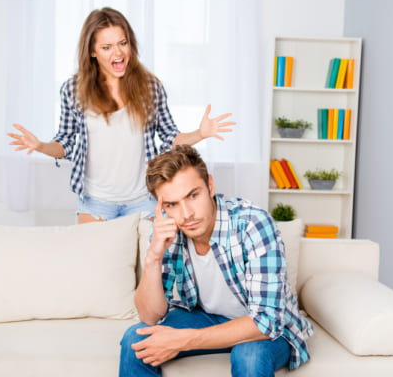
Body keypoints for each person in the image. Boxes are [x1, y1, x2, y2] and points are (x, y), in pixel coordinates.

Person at [7, 7, 234, 223]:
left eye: (122, 43)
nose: (118, 53)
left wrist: (200, 134)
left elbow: (170, 137)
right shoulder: (73, 90)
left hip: (143, 200)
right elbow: (65, 143)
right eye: (107, 47)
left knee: (152, 253)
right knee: (96, 254)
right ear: (93, 52)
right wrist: (40, 146)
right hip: (95, 203)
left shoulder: (150, 87)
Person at [119, 145, 313, 377]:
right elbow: (149, 316)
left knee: (249, 356)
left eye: (193, 195)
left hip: (265, 326)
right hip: (208, 318)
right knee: (135, 340)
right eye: (172, 204)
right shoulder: (166, 229)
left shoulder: (252, 224)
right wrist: (153, 256)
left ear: (210, 185)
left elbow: (266, 321)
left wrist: (184, 340)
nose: (186, 214)